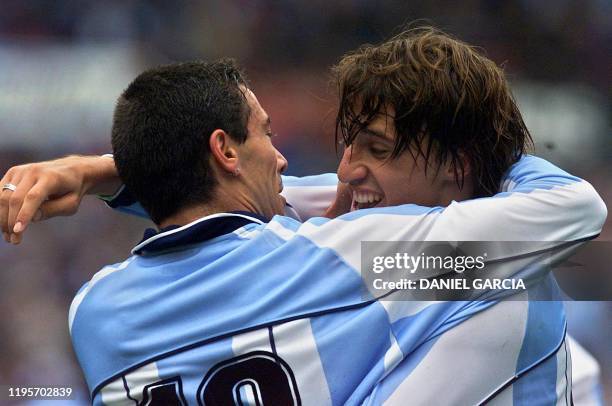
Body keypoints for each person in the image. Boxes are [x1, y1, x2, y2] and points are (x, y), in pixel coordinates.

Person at [0, 28, 607, 404]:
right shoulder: (349, 261)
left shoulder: (94, 315)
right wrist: (485, 164)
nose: (287, 157)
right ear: (226, 150)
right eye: (266, 134)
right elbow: (575, 209)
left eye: (375, 149)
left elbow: (283, 199)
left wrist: (104, 170)